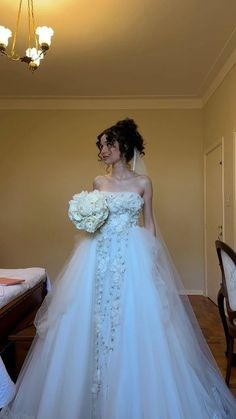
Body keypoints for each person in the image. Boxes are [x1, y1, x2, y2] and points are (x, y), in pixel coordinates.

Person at [1, 118, 236, 419]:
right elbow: (94, 223)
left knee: (135, 319)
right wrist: (86, 218)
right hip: (96, 255)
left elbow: (149, 223)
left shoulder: (143, 183)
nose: (102, 151)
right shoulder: (99, 182)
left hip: (132, 255)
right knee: (88, 319)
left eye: (107, 144)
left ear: (123, 145)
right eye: (99, 146)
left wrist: (150, 261)